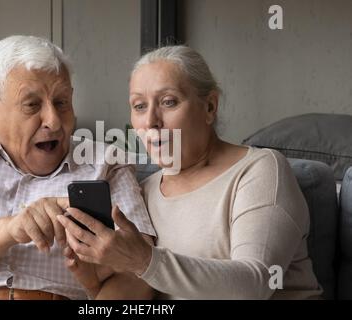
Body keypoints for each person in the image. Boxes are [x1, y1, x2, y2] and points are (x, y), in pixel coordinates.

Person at [58, 45, 323, 299]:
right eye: (139, 106)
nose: (151, 121)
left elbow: (254, 286)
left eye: (168, 102)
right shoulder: (141, 194)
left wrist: (144, 260)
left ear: (209, 107)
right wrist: (93, 284)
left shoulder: (260, 170)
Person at [0, 35, 155, 300]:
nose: (54, 122)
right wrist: (10, 229)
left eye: (61, 102)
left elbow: (139, 273)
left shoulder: (108, 164)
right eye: (32, 105)